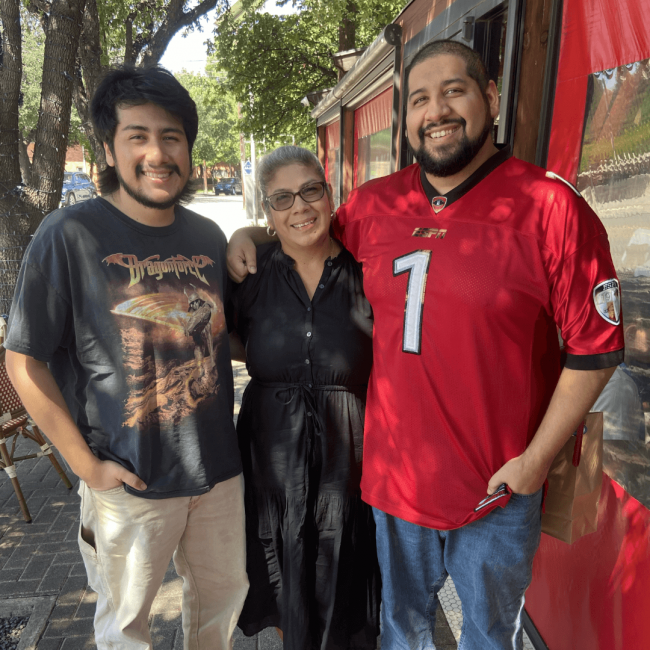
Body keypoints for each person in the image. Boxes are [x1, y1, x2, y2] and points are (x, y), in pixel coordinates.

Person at [227, 40, 625, 649]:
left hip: (498, 486)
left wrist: (536, 461)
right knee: (402, 630)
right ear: (404, 117)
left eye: (453, 92)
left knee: (490, 637)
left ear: (489, 98)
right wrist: (247, 233)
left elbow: (594, 350)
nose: (435, 110)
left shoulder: (550, 207)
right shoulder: (374, 205)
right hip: (396, 482)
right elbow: (305, 230)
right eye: (418, 99)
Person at [4, 66, 248, 650]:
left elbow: (223, 336)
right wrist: (86, 468)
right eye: (137, 136)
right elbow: (23, 361)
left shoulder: (209, 235)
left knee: (218, 611)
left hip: (217, 471)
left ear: (188, 148)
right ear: (108, 149)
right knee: (125, 629)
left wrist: (256, 232)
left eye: (171, 136)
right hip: (127, 478)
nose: (157, 153)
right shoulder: (68, 234)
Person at [230, 146, 380, 650]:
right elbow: (230, 337)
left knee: (343, 574)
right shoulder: (249, 277)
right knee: (283, 567)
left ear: (329, 193)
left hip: (349, 460)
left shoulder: (367, 272)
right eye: (283, 198)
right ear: (268, 210)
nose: (301, 207)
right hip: (271, 457)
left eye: (311, 190)